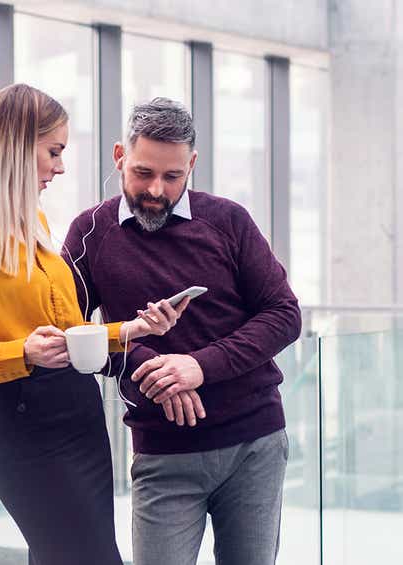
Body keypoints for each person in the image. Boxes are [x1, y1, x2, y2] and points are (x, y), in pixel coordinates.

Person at [0, 84, 188, 565]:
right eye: (53, 151)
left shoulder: (31, 222)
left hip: (79, 416)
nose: (59, 167)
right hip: (26, 424)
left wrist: (131, 331)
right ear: (17, 148)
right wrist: (20, 353)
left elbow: (63, 332)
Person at [61, 97, 302, 565]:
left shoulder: (228, 221)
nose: (156, 190)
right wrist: (148, 366)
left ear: (191, 164)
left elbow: (283, 314)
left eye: (173, 177)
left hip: (254, 446)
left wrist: (197, 366)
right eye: (143, 172)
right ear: (119, 156)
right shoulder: (89, 232)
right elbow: (72, 335)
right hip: (162, 455)